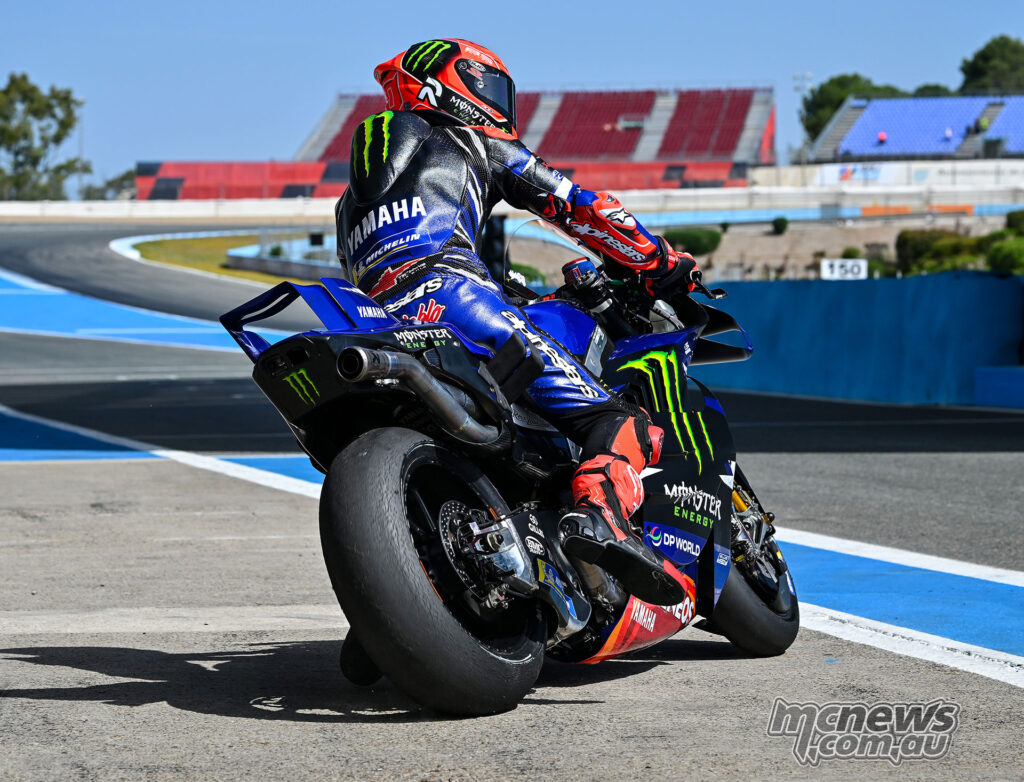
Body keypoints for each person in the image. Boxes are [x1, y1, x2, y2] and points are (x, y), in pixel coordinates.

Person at [335, 39, 698, 606]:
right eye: (485, 85)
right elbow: (580, 207)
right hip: (455, 298)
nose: (495, 101)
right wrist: (658, 260)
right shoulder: (470, 136)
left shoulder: (350, 199)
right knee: (616, 417)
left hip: (378, 322)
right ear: (442, 84)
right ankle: (598, 516)